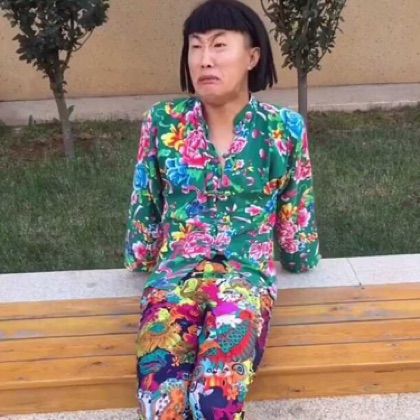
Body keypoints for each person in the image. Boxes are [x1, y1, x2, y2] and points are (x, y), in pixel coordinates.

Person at [124, 0, 321, 418]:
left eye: (218, 45)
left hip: (244, 281)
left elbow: (296, 206)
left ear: (252, 57)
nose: (205, 60)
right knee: (161, 404)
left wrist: (299, 255)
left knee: (214, 401)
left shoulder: (282, 128)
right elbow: (146, 199)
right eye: (195, 46)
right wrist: (141, 255)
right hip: (173, 279)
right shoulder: (163, 122)